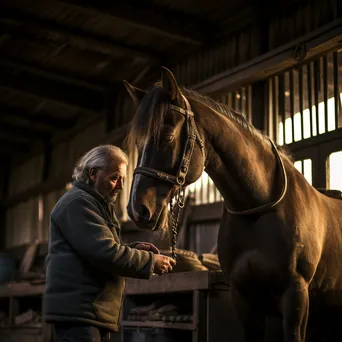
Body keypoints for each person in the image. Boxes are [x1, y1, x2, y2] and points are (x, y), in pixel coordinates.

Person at [43, 145, 176, 342]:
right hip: (81, 313)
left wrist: (132, 250)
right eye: (115, 178)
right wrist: (149, 261)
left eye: (123, 180)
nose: (121, 186)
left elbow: (100, 248)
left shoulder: (97, 204)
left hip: (90, 312)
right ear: (94, 173)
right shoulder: (78, 203)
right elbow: (104, 252)